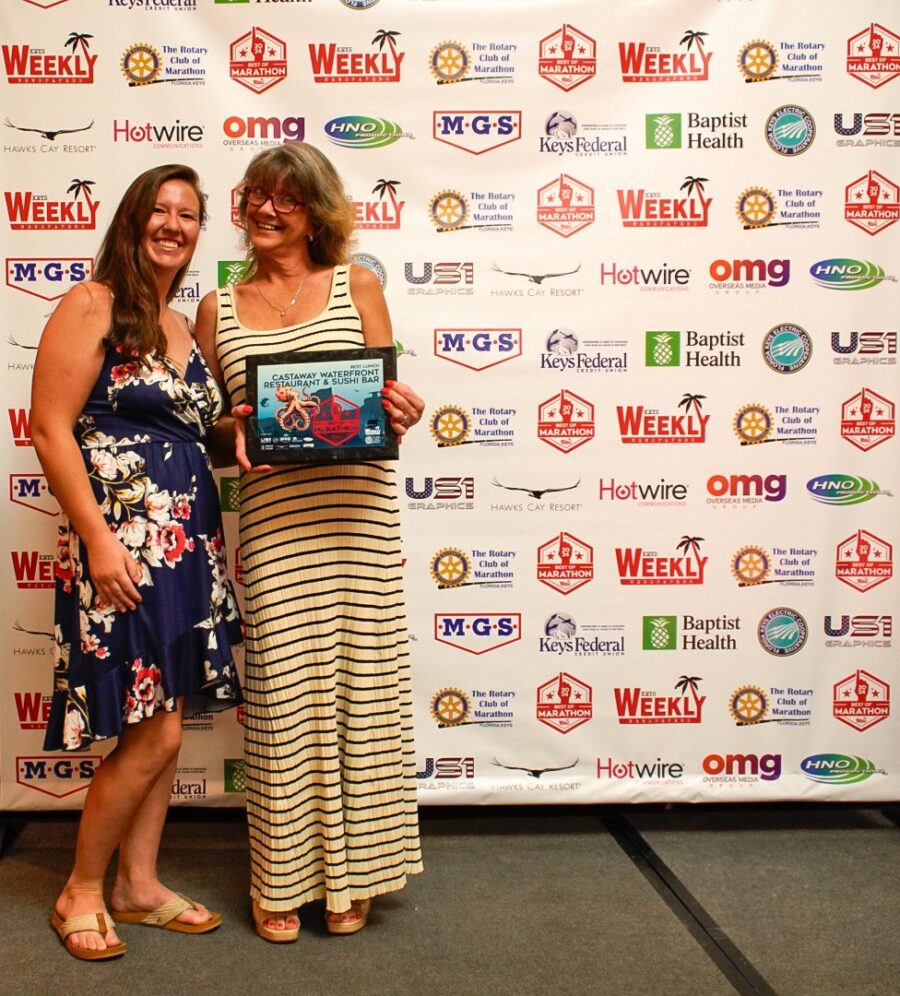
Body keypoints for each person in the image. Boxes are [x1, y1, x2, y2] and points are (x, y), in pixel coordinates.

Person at [195, 143, 424, 942]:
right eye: (255, 195)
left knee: (362, 696)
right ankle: (280, 879)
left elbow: (383, 396)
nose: (265, 210)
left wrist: (400, 411)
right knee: (284, 703)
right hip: (273, 527)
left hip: (357, 522)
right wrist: (237, 429)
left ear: (315, 209)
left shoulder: (356, 283)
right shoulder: (217, 308)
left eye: (285, 199)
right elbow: (212, 432)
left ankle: (353, 877)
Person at [31, 164, 243, 960]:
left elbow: (204, 436)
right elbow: (50, 427)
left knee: (166, 723)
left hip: (188, 553)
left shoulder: (185, 326)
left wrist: (256, 431)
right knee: (149, 734)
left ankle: (138, 884)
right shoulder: (93, 303)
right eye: (159, 209)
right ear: (132, 218)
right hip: (123, 547)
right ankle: (81, 889)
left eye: (188, 215)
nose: (173, 225)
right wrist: (96, 537)